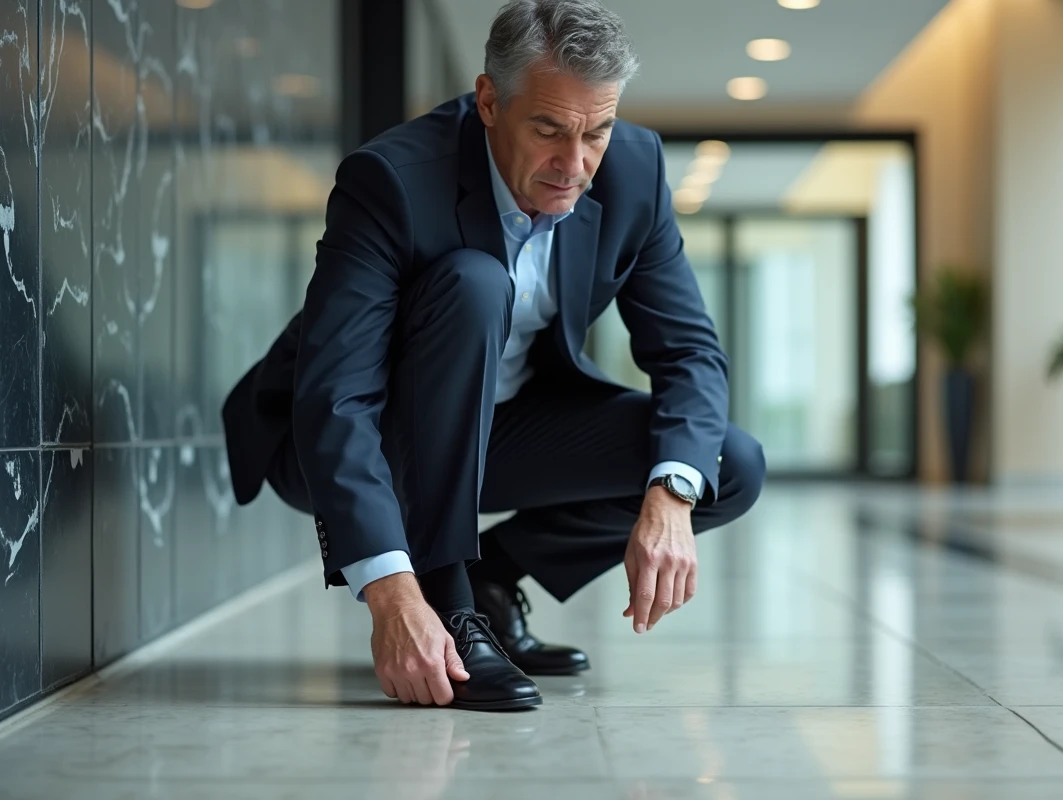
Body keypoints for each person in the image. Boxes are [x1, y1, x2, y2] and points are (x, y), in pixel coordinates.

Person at [221, 0, 765, 711]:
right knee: (475, 283)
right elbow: (337, 395)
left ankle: (491, 580)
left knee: (725, 463)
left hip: (500, 433)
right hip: (360, 439)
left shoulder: (634, 169)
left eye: (596, 131)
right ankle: (450, 605)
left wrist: (668, 500)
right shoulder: (392, 178)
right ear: (488, 101)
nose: (575, 164)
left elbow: (689, 351)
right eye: (549, 129)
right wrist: (393, 596)